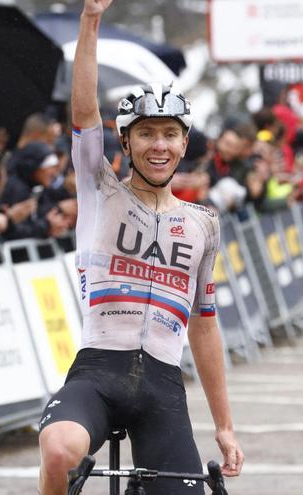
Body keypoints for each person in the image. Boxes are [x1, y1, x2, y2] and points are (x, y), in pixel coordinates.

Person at [37, 1, 244, 493]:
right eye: (146, 133)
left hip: (162, 386)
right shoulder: (100, 190)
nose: (159, 145)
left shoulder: (203, 224)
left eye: (170, 134)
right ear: (124, 143)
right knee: (60, 447)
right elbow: (84, 110)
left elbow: (205, 326)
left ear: (184, 143)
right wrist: (90, 19)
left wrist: (224, 424)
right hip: (99, 370)